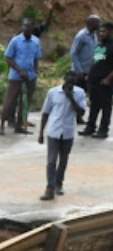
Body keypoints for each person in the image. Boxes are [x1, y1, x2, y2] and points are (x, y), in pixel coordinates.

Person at [38, 71, 87, 200]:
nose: (70, 85)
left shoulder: (80, 93)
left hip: (68, 132)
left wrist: (71, 98)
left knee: (63, 160)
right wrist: (41, 132)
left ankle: (59, 183)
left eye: (72, 82)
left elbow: (81, 112)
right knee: (51, 161)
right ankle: (50, 188)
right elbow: (45, 112)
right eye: (68, 82)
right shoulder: (53, 92)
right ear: (64, 79)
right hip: (54, 131)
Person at [0, 18, 42, 135]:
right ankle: (2, 125)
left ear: (33, 28)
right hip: (16, 76)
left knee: (25, 103)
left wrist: (34, 73)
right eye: (24, 26)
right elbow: (8, 58)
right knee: (9, 101)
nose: (26, 28)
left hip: (30, 77)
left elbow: (36, 58)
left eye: (28, 26)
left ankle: (19, 125)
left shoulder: (36, 41)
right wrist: (20, 70)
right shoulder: (15, 40)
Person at [82, 22, 113, 139]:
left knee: (105, 106)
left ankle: (103, 129)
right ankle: (90, 127)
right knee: (93, 104)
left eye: (104, 31)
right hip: (93, 80)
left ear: (110, 32)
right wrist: (89, 74)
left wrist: (108, 79)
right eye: (100, 31)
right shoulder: (99, 45)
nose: (101, 34)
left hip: (104, 81)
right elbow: (95, 61)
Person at [71, 15, 101, 91]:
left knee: (84, 93)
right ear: (91, 23)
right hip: (79, 72)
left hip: (88, 71)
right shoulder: (81, 36)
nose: (99, 25)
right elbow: (73, 53)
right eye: (98, 23)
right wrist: (79, 71)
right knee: (77, 92)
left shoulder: (94, 35)